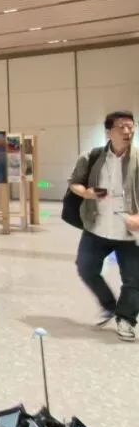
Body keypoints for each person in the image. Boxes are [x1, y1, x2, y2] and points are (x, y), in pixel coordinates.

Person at [67, 110, 139, 341]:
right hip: (96, 227)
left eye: (131, 126)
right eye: (121, 127)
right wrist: (86, 193)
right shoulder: (92, 157)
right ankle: (110, 305)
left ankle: (126, 318)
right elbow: (74, 183)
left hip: (130, 233)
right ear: (108, 132)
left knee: (134, 279)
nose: (128, 131)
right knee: (86, 268)